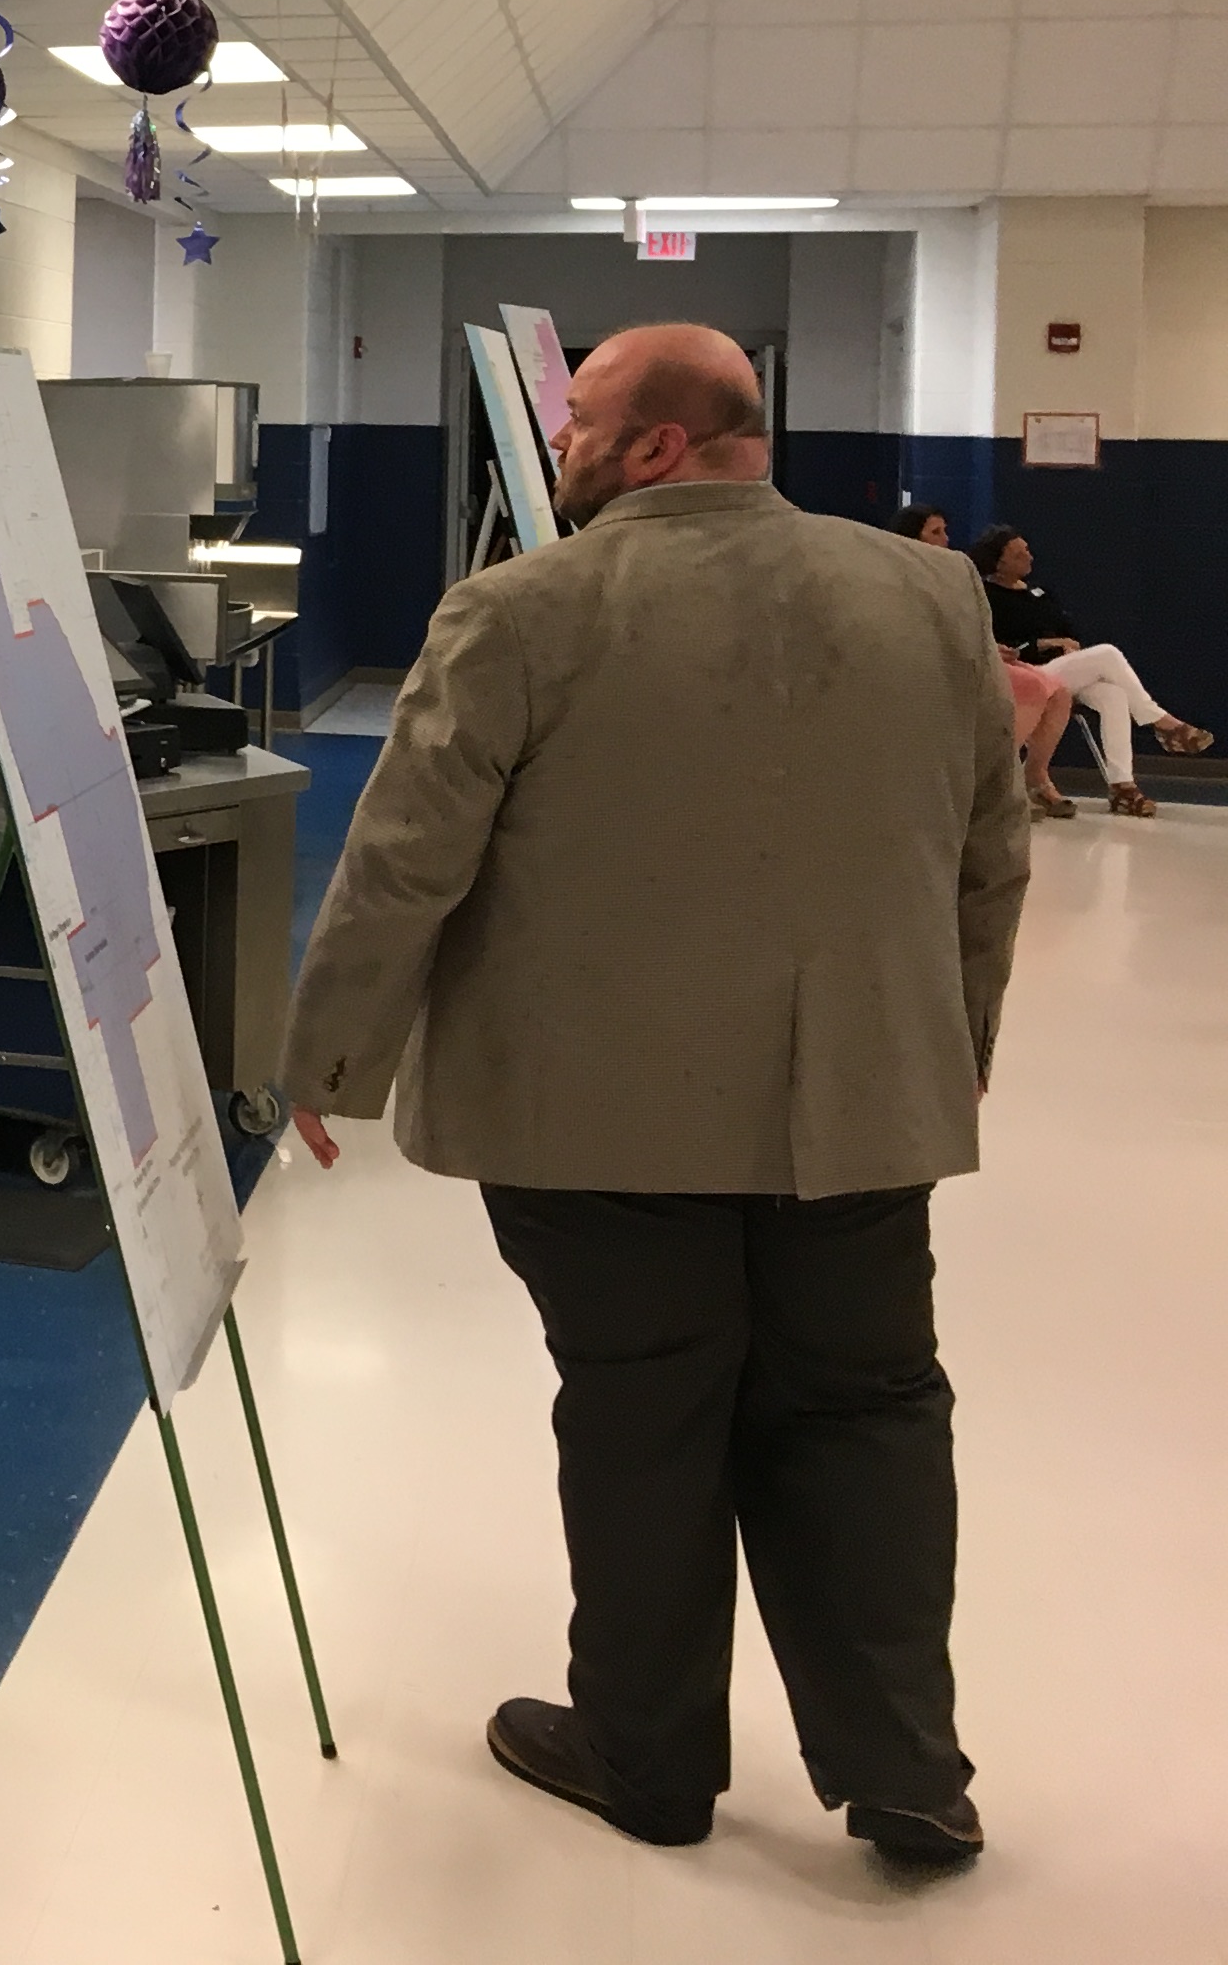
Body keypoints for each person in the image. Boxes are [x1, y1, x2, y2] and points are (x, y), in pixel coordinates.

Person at [285, 324, 1026, 1869]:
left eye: (576, 428)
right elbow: (988, 853)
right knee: (869, 1412)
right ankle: (907, 1765)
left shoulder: (521, 611)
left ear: (655, 446)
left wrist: (329, 1061)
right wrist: (949, 1045)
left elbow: (407, 860)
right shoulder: (930, 596)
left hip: (594, 1125)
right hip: (856, 1113)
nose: (556, 448)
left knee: (643, 1417)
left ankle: (650, 1758)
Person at [969, 524, 1209, 819]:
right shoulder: (988, 596)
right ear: (999, 561)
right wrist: (1043, 644)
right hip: (1027, 670)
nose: (1029, 557)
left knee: (1114, 694)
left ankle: (1122, 786)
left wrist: (1069, 647)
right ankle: (1162, 723)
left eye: (1028, 550)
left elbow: (1068, 631)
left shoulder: (1040, 593)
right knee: (1107, 653)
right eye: (1019, 554)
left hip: (1062, 668)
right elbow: (1001, 644)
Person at [899, 509, 1078, 820]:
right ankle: (992, 782)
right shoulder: (904, 575)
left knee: (1059, 692)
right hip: (934, 657)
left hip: (974, 652)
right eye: (936, 533)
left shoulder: (954, 571)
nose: (946, 539)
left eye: (945, 531)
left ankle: (1033, 775)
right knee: (1032, 686)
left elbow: (971, 623)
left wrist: (992, 647)